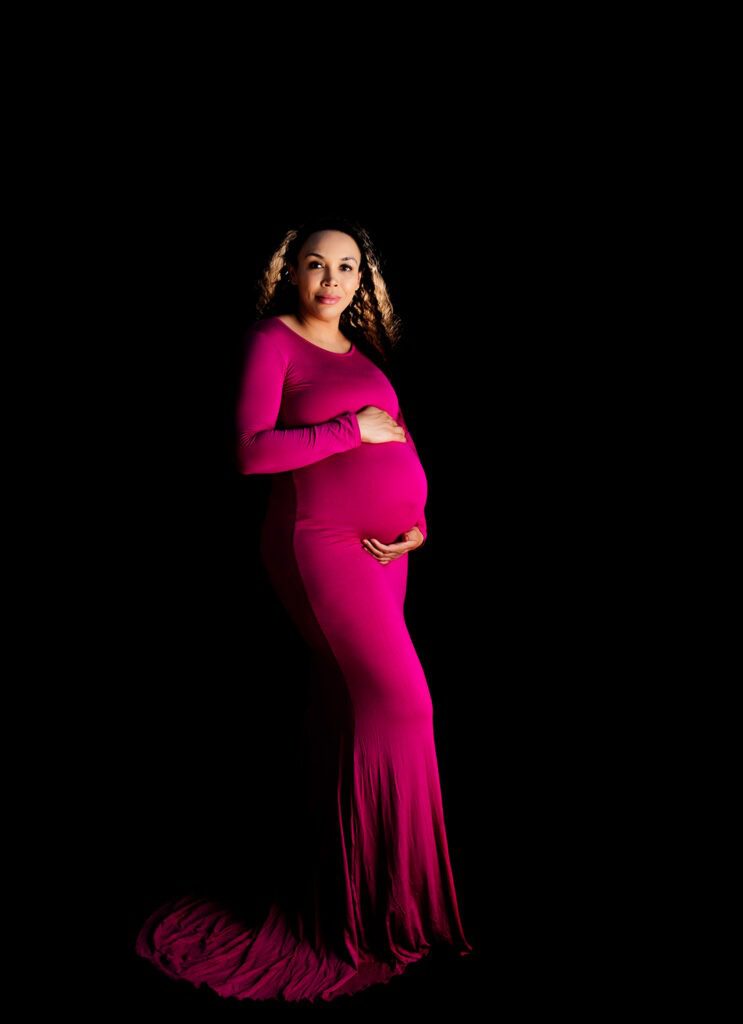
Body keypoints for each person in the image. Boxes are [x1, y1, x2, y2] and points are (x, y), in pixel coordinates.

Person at [134, 217, 474, 1003]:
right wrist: (345, 427)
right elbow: (253, 450)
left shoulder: (362, 356)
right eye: (316, 265)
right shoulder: (273, 341)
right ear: (292, 272)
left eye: (346, 267)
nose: (331, 278)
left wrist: (416, 523)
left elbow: (396, 442)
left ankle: (362, 900)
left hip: (385, 554)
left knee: (344, 717)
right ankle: (374, 914)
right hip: (316, 543)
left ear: (363, 281)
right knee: (402, 705)